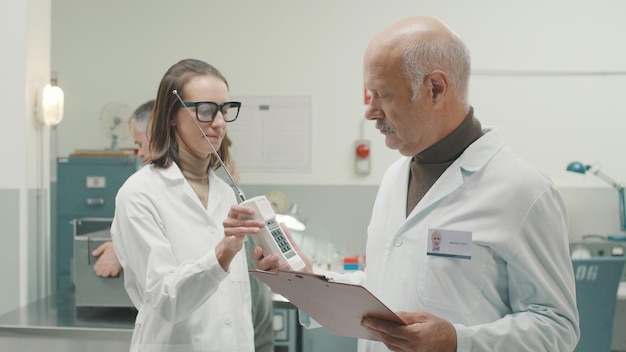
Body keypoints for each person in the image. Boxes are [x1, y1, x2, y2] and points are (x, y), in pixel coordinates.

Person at [226, 16, 580, 352]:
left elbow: (558, 328)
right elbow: (387, 290)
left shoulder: (523, 190)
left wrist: (458, 341)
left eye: (383, 95)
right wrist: (310, 280)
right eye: (369, 95)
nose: (370, 111)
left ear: (435, 89)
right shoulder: (396, 177)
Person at [111, 58, 261, 352]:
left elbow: (235, 304)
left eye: (225, 111)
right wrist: (222, 253)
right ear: (171, 116)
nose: (219, 123)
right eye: (205, 111)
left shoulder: (225, 193)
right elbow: (165, 300)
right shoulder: (140, 194)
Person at [92, 99, 155, 278]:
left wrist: (121, 251)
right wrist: (121, 249)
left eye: (140, 144)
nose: (140, 153)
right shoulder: (141, 186)